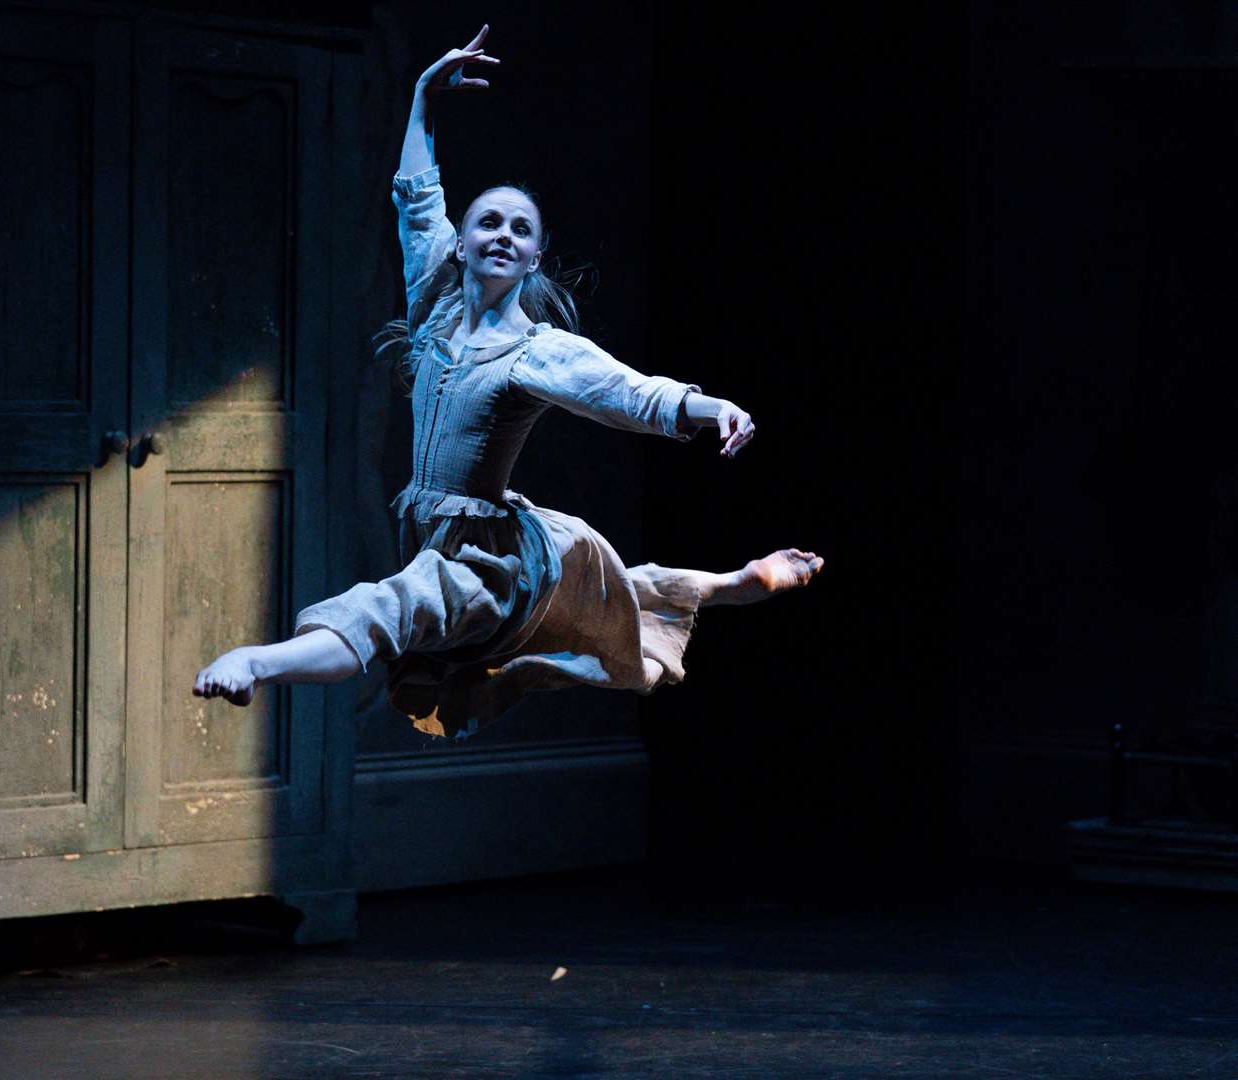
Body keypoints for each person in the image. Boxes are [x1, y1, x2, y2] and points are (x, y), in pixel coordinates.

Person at [195, 25, 824, 738]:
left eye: (520, 231)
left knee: (389, 608)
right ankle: (730, 585)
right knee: (604, 596)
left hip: (492, 554)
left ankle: (258, 662)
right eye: (487, 222)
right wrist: (421, 100)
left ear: (532, 260)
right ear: (461, 244)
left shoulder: (537, 352)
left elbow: (630, 391)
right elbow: (417, 200)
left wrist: (714, 408)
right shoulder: (431, 306)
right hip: (441, 534)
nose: (502, 234)